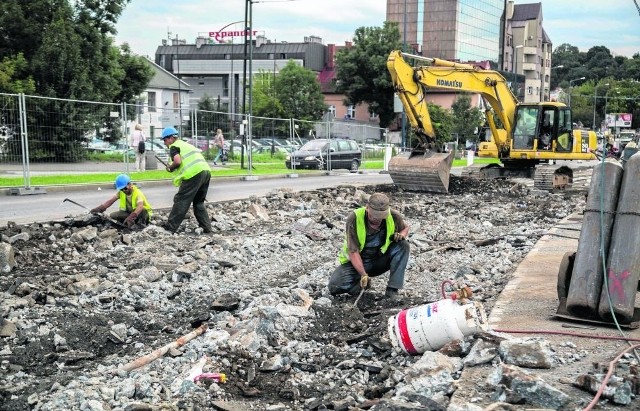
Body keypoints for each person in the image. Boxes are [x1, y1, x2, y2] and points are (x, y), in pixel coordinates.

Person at [328, 192, 410, 301]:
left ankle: (392, 291)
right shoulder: (355, 217)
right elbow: (353, 251)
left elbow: (405, 228)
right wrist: (363, 274)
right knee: (334, 286)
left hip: (379, 260)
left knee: (403, 245)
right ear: (367, 208)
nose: (377, 220)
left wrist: (401, 235)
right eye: (374, 216)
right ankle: (357, 288)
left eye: (381, 217)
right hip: (358, 263)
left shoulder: (393, 216)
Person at [161, 126, 213, 233]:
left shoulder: (174, 146)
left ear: (171, 138)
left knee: (181, 200)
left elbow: (178, 161)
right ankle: (207, 228)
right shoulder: (186, 145)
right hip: (206, 171)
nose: (164, 143)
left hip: (193, 174)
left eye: (165, 140)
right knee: (199, 203)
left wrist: (170, 167)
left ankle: (170, 228)